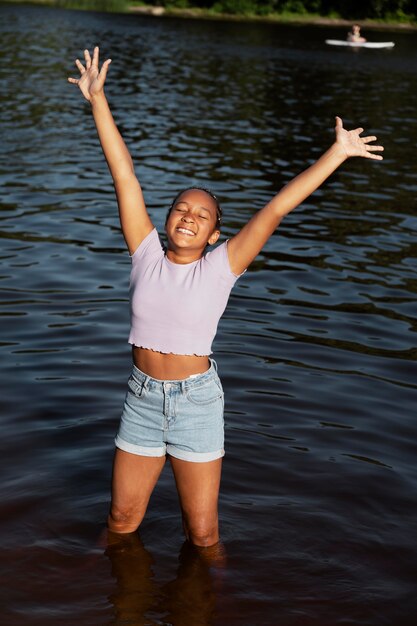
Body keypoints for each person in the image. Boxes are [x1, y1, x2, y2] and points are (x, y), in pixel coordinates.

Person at [68, 47, 383, 549]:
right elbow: (123, 174)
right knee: (121, 520)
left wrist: (337, 153)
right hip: (142, 398)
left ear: (215, 234)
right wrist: (98, 100)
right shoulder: (145, 252)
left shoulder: (221, 267)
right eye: (180, 208)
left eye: (202, 214)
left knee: (203, 534)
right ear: (167, 219)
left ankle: (213, 606)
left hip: (196, 403)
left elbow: (277, 207)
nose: (189, 216)